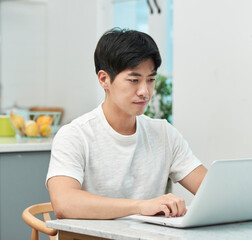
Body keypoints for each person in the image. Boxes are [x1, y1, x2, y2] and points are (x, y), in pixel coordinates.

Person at [46, 28, 207, 220]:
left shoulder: (163, 133)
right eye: (134, 80)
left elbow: (213, 191)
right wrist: (141, 206)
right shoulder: (74, 135)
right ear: (104, 79)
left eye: (151, 80)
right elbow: (65, 204)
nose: (144, 91)